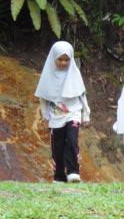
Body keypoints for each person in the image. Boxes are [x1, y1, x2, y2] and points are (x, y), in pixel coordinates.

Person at [35, 41, 90, 183]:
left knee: (72, 141)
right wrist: (45, 118)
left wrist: (86, 114)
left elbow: (81, 95)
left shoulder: (74, 73)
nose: (63, 63)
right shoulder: (48, 74)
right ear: (53, 58)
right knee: (57, 146)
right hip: (55, 116)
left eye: (67, 59)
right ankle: (59, 176)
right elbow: (43, 99)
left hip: (73, 113)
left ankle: (73, 172)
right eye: (60, 59)